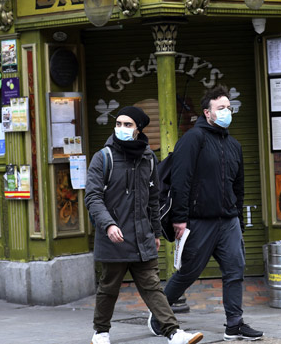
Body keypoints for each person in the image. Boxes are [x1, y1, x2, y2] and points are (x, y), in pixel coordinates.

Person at [148, 86, 264, 341]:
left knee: (236, 270)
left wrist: (239, 221)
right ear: (207, 113)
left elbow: (239, 186)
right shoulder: (193, 139)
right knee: (189, 271)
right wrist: (179, 218)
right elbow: (181, 179)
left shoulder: (234, 145)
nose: (226, 112)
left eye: (229, 108)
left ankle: (234, 324)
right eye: (220, 108)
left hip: (228, 221)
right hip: (199, 221)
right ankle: (160, 314)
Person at [85, 106, 203, 344]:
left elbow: (153, 199)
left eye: (127, 125)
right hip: (114, 238)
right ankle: (101, 332)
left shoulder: (148, 158)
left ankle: (173, 332)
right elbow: (93, 197)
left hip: (142, 237)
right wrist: (108, 225)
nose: (121, 129)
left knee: (152, 287)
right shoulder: (103, 157)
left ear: (138, 129)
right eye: (118, 124)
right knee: (109, 288)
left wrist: (156, 232)